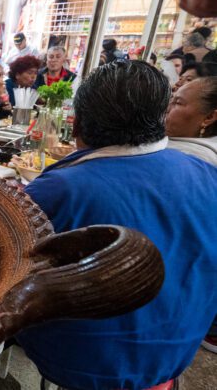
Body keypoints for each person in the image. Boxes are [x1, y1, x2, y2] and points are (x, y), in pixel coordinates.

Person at [17, 60, 217, 390]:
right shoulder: (208, 175)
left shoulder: (61, 189)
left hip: (82, 366)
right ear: (159, 119)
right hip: (174, 356)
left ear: (77, 125)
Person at [166, 77, 217, 165]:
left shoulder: (197, 159)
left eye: (178, 103)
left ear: (209, 117)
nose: (166, 108)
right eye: (171, 98)